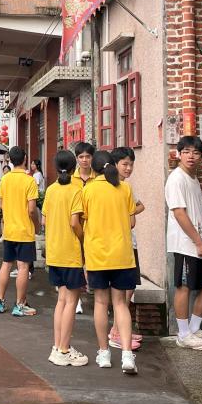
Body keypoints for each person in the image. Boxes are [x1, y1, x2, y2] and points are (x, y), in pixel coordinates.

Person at [72, 151, 138, 375]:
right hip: (122, 254)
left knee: (101, 303)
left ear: (94, 168)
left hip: (97, 255)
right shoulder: (125, 188)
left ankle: (104, 353)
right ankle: (127, 354)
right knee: (120, 303)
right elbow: (131, 222)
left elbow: (77, 222)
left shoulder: (87, 190)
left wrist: (85, 238)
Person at [166, 136, 202, 351]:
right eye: (187, 152)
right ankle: (183, 334)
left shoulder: (193, 179)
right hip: (185, 243)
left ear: (201, 157)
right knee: (184, 287)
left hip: (200, 243)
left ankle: (194, 328)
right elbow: (179, 213)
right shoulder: (176, 179)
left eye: (196, 153)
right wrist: (198, 242)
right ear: (179, 154)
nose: (191, 156)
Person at [43, 150, 88, 367]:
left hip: (54, 251)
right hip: (70, 252)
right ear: (73, 168)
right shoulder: (76, 190)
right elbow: (74, 223)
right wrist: (84, 239)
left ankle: (57, 346)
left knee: (61, 300)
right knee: (71, 301)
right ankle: (64, 349)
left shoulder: (51, 190)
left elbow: (44, 221)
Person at [0, 146, 40, 317]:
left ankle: (0, 301)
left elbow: (0, 204)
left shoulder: (5, 179)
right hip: (24, 230)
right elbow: (31, 209)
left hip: (9, 230)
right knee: (23, 267)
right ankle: (20, 305)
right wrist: (37, 225)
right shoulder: (29, 181)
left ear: (10, 161)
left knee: (6, 264)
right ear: (25, 158)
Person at [107, 147, 144, 352]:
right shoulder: (118, 187)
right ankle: (116, 332)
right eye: (124, 164)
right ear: (114, 165)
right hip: (122, 245)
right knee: (123, 292)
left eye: (131, 164)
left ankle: (122, 329)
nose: (128, 168)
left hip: (128, 243)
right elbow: (131, 220)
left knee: (128, 289)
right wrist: (126, 214)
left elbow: (140, 206)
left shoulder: (126, 187)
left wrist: (126, 211)